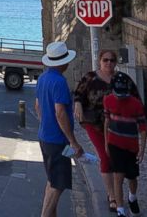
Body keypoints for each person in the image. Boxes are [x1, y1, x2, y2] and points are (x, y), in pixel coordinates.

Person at [74, 49, 140, 211]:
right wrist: (77, 104)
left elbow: (136, 100)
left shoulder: (123, 79)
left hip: (117, 128)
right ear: (100, 61)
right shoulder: (90, 78)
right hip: (94, 124)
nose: (108, 63)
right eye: (105, 60)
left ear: (116, 62)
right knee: (105, 156)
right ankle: (112, 195)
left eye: (111, 60)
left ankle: (123, 193)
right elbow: (78, 94)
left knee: (120, 161)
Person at [36, 40, 84, 217]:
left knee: (52, 181)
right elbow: (60, 113)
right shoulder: (60, 82)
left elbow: (37, 106)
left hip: (45, 137)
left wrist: (45, 124)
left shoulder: (42, 78)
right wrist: (73, 142)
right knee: (58, 185)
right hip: (58, 142)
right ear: (63, 62)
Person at [104, 72, 147, 216]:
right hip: (115, 144)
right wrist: (106, 143)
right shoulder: (108, 100)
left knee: (132, 177)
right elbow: (107, 122)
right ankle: (120, 209)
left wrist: (142, 149)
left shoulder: (136, 104)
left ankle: (132, 197)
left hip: (131, 146)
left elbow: (142, 127)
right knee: (118, 176)